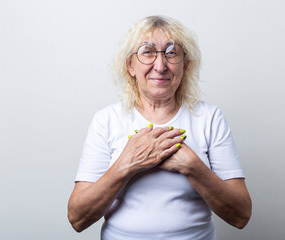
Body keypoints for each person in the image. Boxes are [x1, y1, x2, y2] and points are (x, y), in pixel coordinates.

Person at [68, 15, 252, 239]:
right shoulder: (106, 120)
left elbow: (241, 215)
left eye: (171, 52)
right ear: (130, 65)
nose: (160, 65)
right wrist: (127, 165)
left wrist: (192, 166)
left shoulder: (210, 118)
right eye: (147, 52)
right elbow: (77, 218)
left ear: (185, 65)